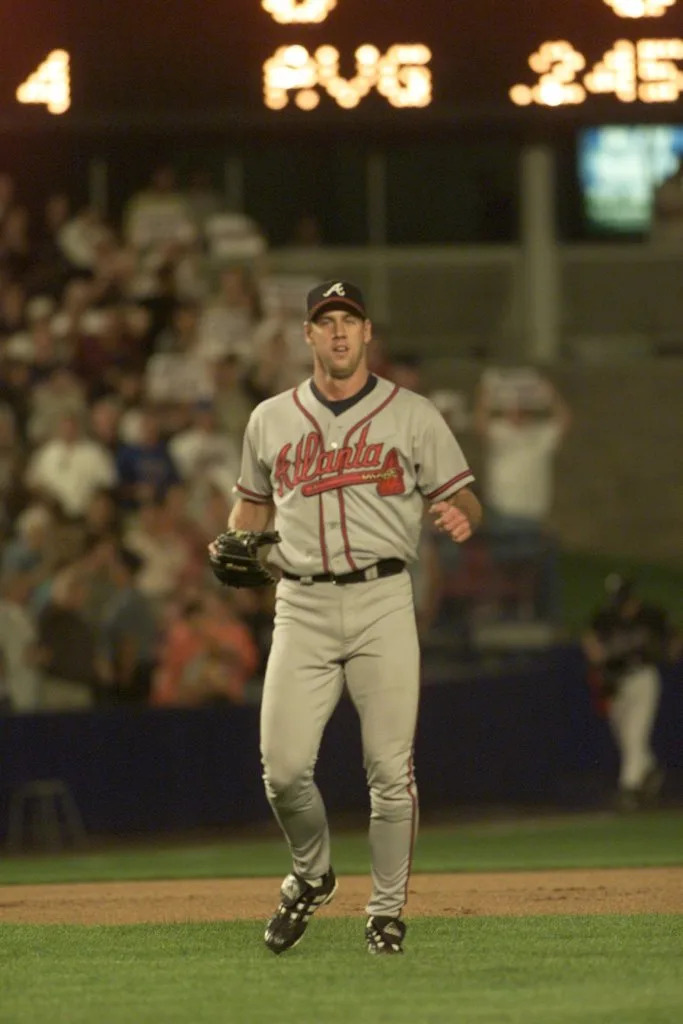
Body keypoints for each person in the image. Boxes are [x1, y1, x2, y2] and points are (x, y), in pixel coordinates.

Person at [211, 279, 481, 955]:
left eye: (348, 321)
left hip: (381, 599)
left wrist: (459, 515)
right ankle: (311, 874)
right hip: (299, 603)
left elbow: (466, 500)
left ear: (366, 335)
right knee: (282, 769)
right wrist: (232, 536)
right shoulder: (269, 419)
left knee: (389, 770)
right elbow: (249, 511)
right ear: (306, 334)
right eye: (325, 321)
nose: (337, 332)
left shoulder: (411, 414)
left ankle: (385, 913)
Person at [473, 370, 571, 621]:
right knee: (502, 566)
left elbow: (564, 420)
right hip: (503, 512)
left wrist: (550, 394)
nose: (517, 412)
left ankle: (529, 611)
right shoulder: (501, 431)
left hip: (532, 516)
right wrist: (487, 393)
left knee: (531, 569)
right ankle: (499, 609)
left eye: (522, 408)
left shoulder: (540, 435)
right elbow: (481, 424)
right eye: (513, 408)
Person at [581, 574, 680, 812]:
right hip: (617, 683)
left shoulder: (650, 615)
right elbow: (589, 639)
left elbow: (674, 635)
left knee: (635, 734)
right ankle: (649, 768)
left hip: (643, 677)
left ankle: (629, 789)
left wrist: (671, 652)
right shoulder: (606, 616)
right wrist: (596, 657)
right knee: (626, 739)